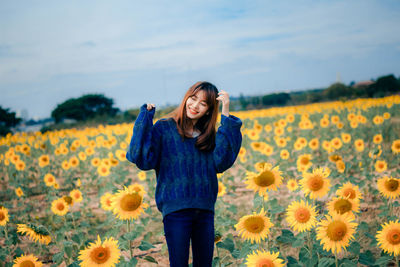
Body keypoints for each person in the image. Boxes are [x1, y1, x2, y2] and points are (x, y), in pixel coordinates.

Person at [126, 81, 243, 267]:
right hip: (175, 211)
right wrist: (144, 121)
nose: (195, 106)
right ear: (186, 98)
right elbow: (141, 158)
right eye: (193, 98)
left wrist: (226, 112)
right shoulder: (164, 128)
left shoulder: (208, 136)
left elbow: (222, 162)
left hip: (204, 210)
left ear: (209, 110)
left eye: (203, 104)